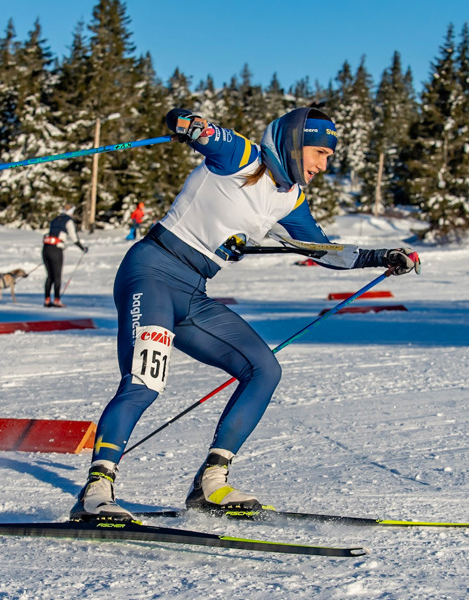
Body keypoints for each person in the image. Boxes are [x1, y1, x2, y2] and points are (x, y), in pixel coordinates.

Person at [69, 107, 421, 521]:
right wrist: (190, 125)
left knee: (264, 369)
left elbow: (324, 252)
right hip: (151, 272)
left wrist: (382, 256)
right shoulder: (242, 156)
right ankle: (96, 489)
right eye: (320, 153)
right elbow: (195, 128)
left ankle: (210, 483)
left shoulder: (290, 199)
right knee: (145, 382)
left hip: (192, 291)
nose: (324, 165)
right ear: (295, 142)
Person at [42, 203, 88, 308]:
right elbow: (74, 238)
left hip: (46, 248)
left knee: (49, 275)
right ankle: (57, 300)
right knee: (57, 275)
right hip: (56, 249)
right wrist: (83, 248)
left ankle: (47, 299)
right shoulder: (68, 221)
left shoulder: (55, 219)